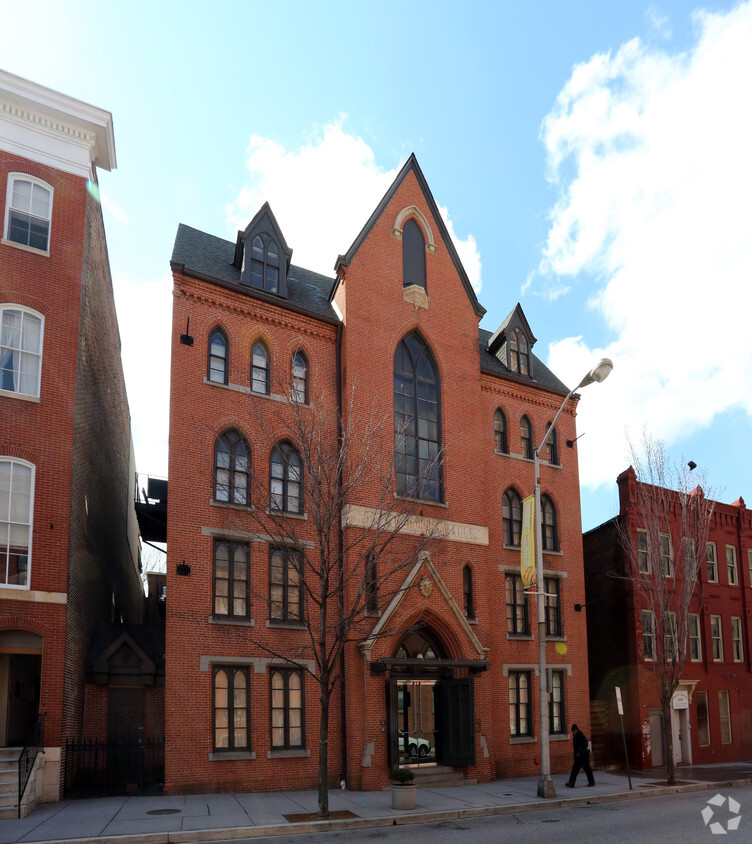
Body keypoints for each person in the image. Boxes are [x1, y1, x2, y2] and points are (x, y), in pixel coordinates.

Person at [565, 723, 595, 788]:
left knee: (587, 770)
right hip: (577, 757)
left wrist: (580, 753)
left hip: (583, 756)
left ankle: (591, 782)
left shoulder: (581, 736)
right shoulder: (575, 736)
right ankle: (571, 782)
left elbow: (585, 745)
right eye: (572, 731)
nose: (573, 732)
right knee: (574, 770)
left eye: (574, 731)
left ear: (576, 730)